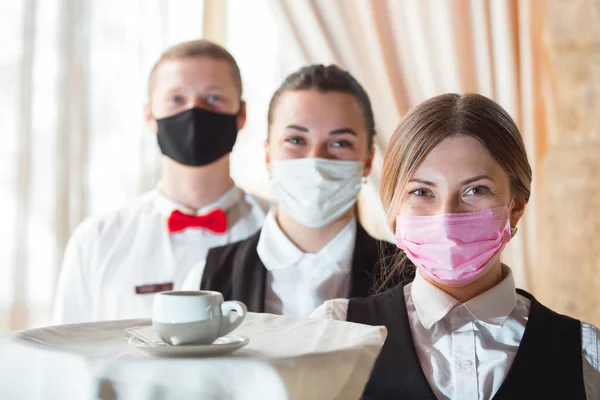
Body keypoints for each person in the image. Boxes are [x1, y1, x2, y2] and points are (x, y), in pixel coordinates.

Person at [312, 93, 600, 399]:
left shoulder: (585, 353)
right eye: (422, 191)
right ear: (393, 208)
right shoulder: (335, 332)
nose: (447, 216)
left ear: (515, 206)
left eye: (476, 190)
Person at [53, 40, 268, 324]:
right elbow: (67, 356)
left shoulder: (277, 230)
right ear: (149, 115)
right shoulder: (97, 241)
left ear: (241, 115)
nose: (194, 112)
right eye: (176, 99)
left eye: (213, 98)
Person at [182, 65, 402, 317]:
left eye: (340, 143)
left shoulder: (408, 277)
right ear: (267, 155)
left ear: (367, 160)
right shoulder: (207, 279)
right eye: (296, 140)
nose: (315, 161)